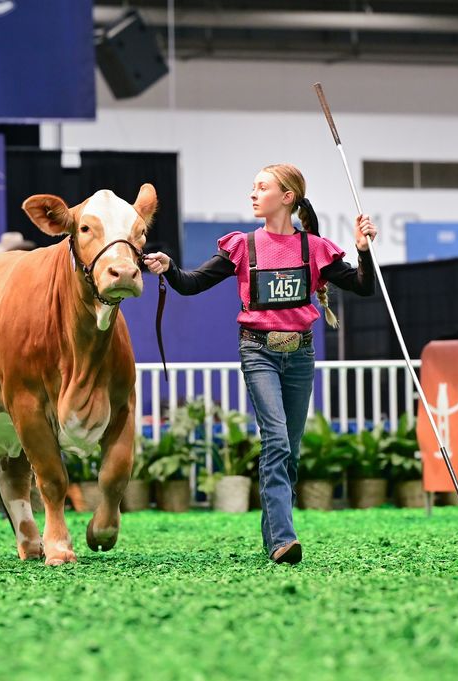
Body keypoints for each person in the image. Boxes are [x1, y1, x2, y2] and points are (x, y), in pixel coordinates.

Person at [144, 163, 378, 566]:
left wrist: (362, 249)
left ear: (287, 198)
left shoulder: (316, 249)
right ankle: (284, 539)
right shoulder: (242, 246)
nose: (253, 194)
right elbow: (193, 282)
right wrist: (170, 267)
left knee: (290, 451)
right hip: (258, 351)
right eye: (253, 187)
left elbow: (363, 286)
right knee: (277, 440)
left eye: (262, 187)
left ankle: (274, 539)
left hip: (301, 354)